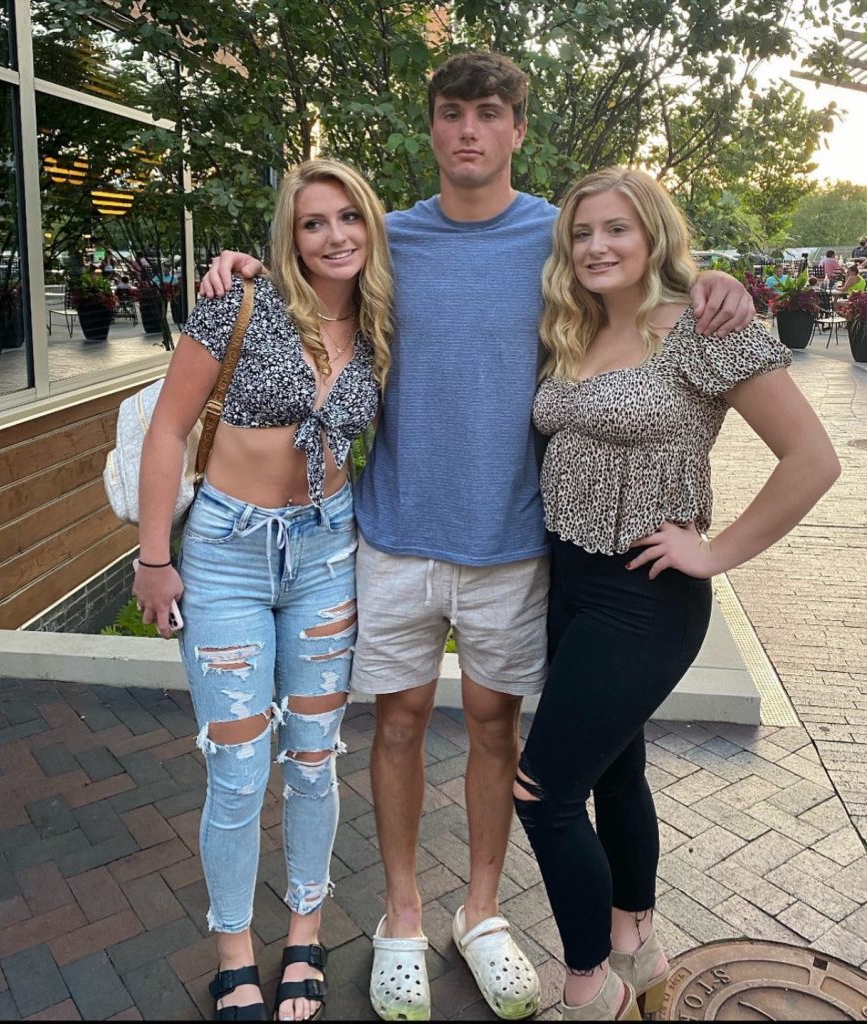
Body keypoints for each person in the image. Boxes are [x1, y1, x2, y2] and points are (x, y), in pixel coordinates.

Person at [199, 51, 756, 1023]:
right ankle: (404, 917)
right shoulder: (389, 238)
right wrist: (237, 265)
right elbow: (307, 266)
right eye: (451, 113)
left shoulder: (559, 238)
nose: (467, 130)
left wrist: (713, 280)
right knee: (401, 723)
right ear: (432, 128)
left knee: (497, 729)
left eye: (487, 113)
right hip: (396, 532)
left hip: (512, 542)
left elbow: (640, 285)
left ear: (515, 129)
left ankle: (484, 911)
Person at [514, 166, 840, 1021]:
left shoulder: (701, 327)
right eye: (582, 233)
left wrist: (716, 552)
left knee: (543, 794)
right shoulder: (568, 330)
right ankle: (638, 944)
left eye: (617, 229)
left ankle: (593, 992)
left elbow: (813, 459)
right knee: (618, 773)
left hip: (646, 596)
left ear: (653, 235)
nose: (596, 246)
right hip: (570, 583)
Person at [134, 158, 393, 1023]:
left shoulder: (386, 326)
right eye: (314, 221)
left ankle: (305, 938)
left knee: (315, 765)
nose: (334, 236)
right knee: (239, 772)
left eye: (348, 217)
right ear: (291, 232)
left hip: (325, 555)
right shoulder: (238, 301)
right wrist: (152, 557)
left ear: (370, 225)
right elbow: (170, 430)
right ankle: (235, 952)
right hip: (226, 559)